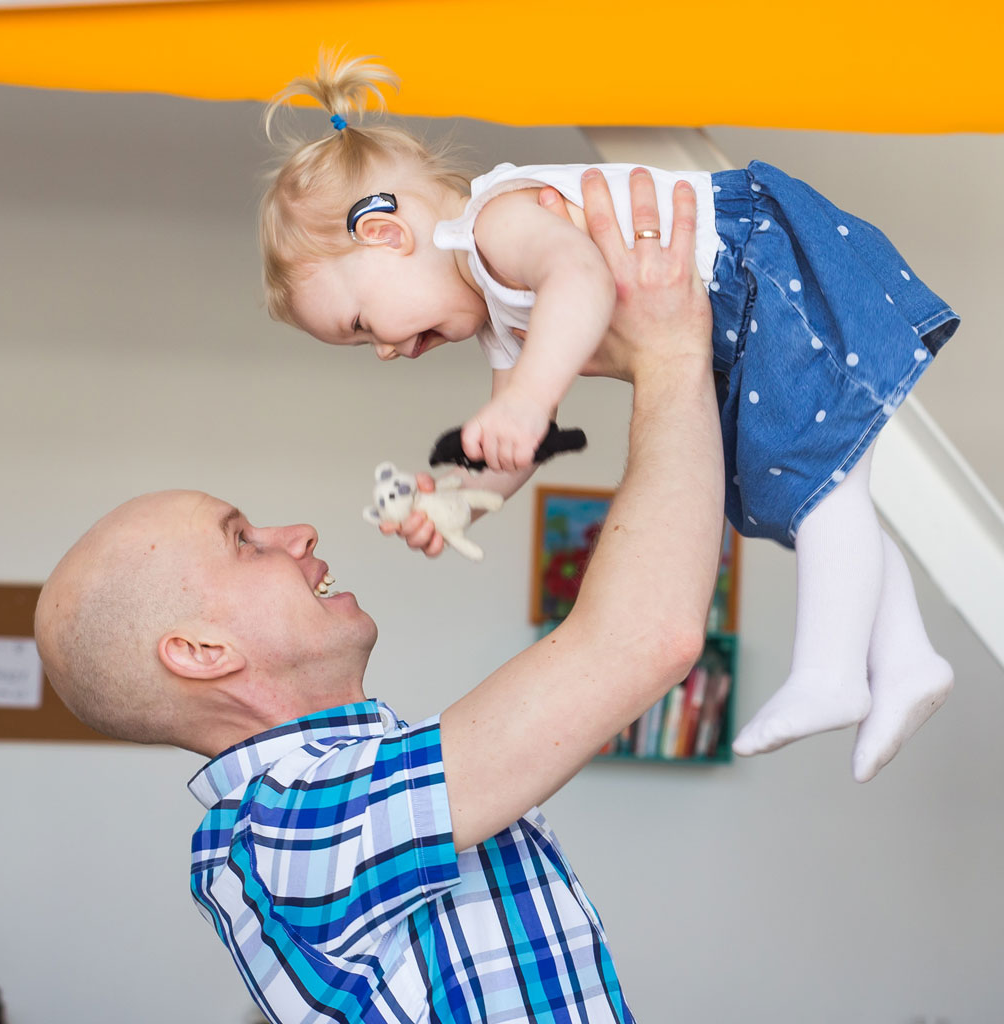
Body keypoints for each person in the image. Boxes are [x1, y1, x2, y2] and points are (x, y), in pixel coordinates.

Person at [35, 171, 725, 1024]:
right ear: (202, 652)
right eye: (243, 541)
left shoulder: (349, 791)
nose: (299, 536)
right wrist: (669, 355)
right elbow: (642, 638)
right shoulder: (290, 831)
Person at [258, 52, 959, 783]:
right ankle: (908, 661)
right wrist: (469, 497)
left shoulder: (495, 222)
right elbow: (520, 442)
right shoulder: (500, 313)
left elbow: (581, 276)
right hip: (731, 309)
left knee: (818, 486)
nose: (382, 351)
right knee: (815, 488)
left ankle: (832, 672)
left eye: (363, 323)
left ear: (385, 236)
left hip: (758, 263)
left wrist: (530, 396)